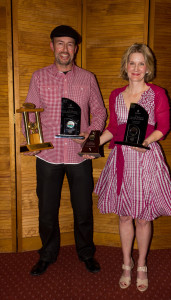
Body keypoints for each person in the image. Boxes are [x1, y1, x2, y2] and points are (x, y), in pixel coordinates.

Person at [94, 43, 171, 292]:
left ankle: (141, 263)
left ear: (148, 67)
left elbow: (163, 127)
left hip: (145, 158)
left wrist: (145, 141)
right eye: (132, 62)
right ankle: (126, 262)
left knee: (143, 218)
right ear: (125, 65)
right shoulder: (115, 94)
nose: (136, 68)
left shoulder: (157, 93)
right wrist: (93, 144)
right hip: (121, 158)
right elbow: (114, 127)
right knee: (124, 215)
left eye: (141, 63)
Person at [23, 25, 106, 276]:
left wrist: (89, 138)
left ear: (76, 48)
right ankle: (47, 254)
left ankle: (86, 253)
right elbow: (30, 114)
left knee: (83, 210)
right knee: (47, 211)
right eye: (60, 43)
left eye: (70, 44)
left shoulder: (87, 77)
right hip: (48, 156)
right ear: (52, 46)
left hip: (79, 157)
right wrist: (31, 141)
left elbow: (100, 112)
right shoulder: (39, 77)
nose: (65, 49)